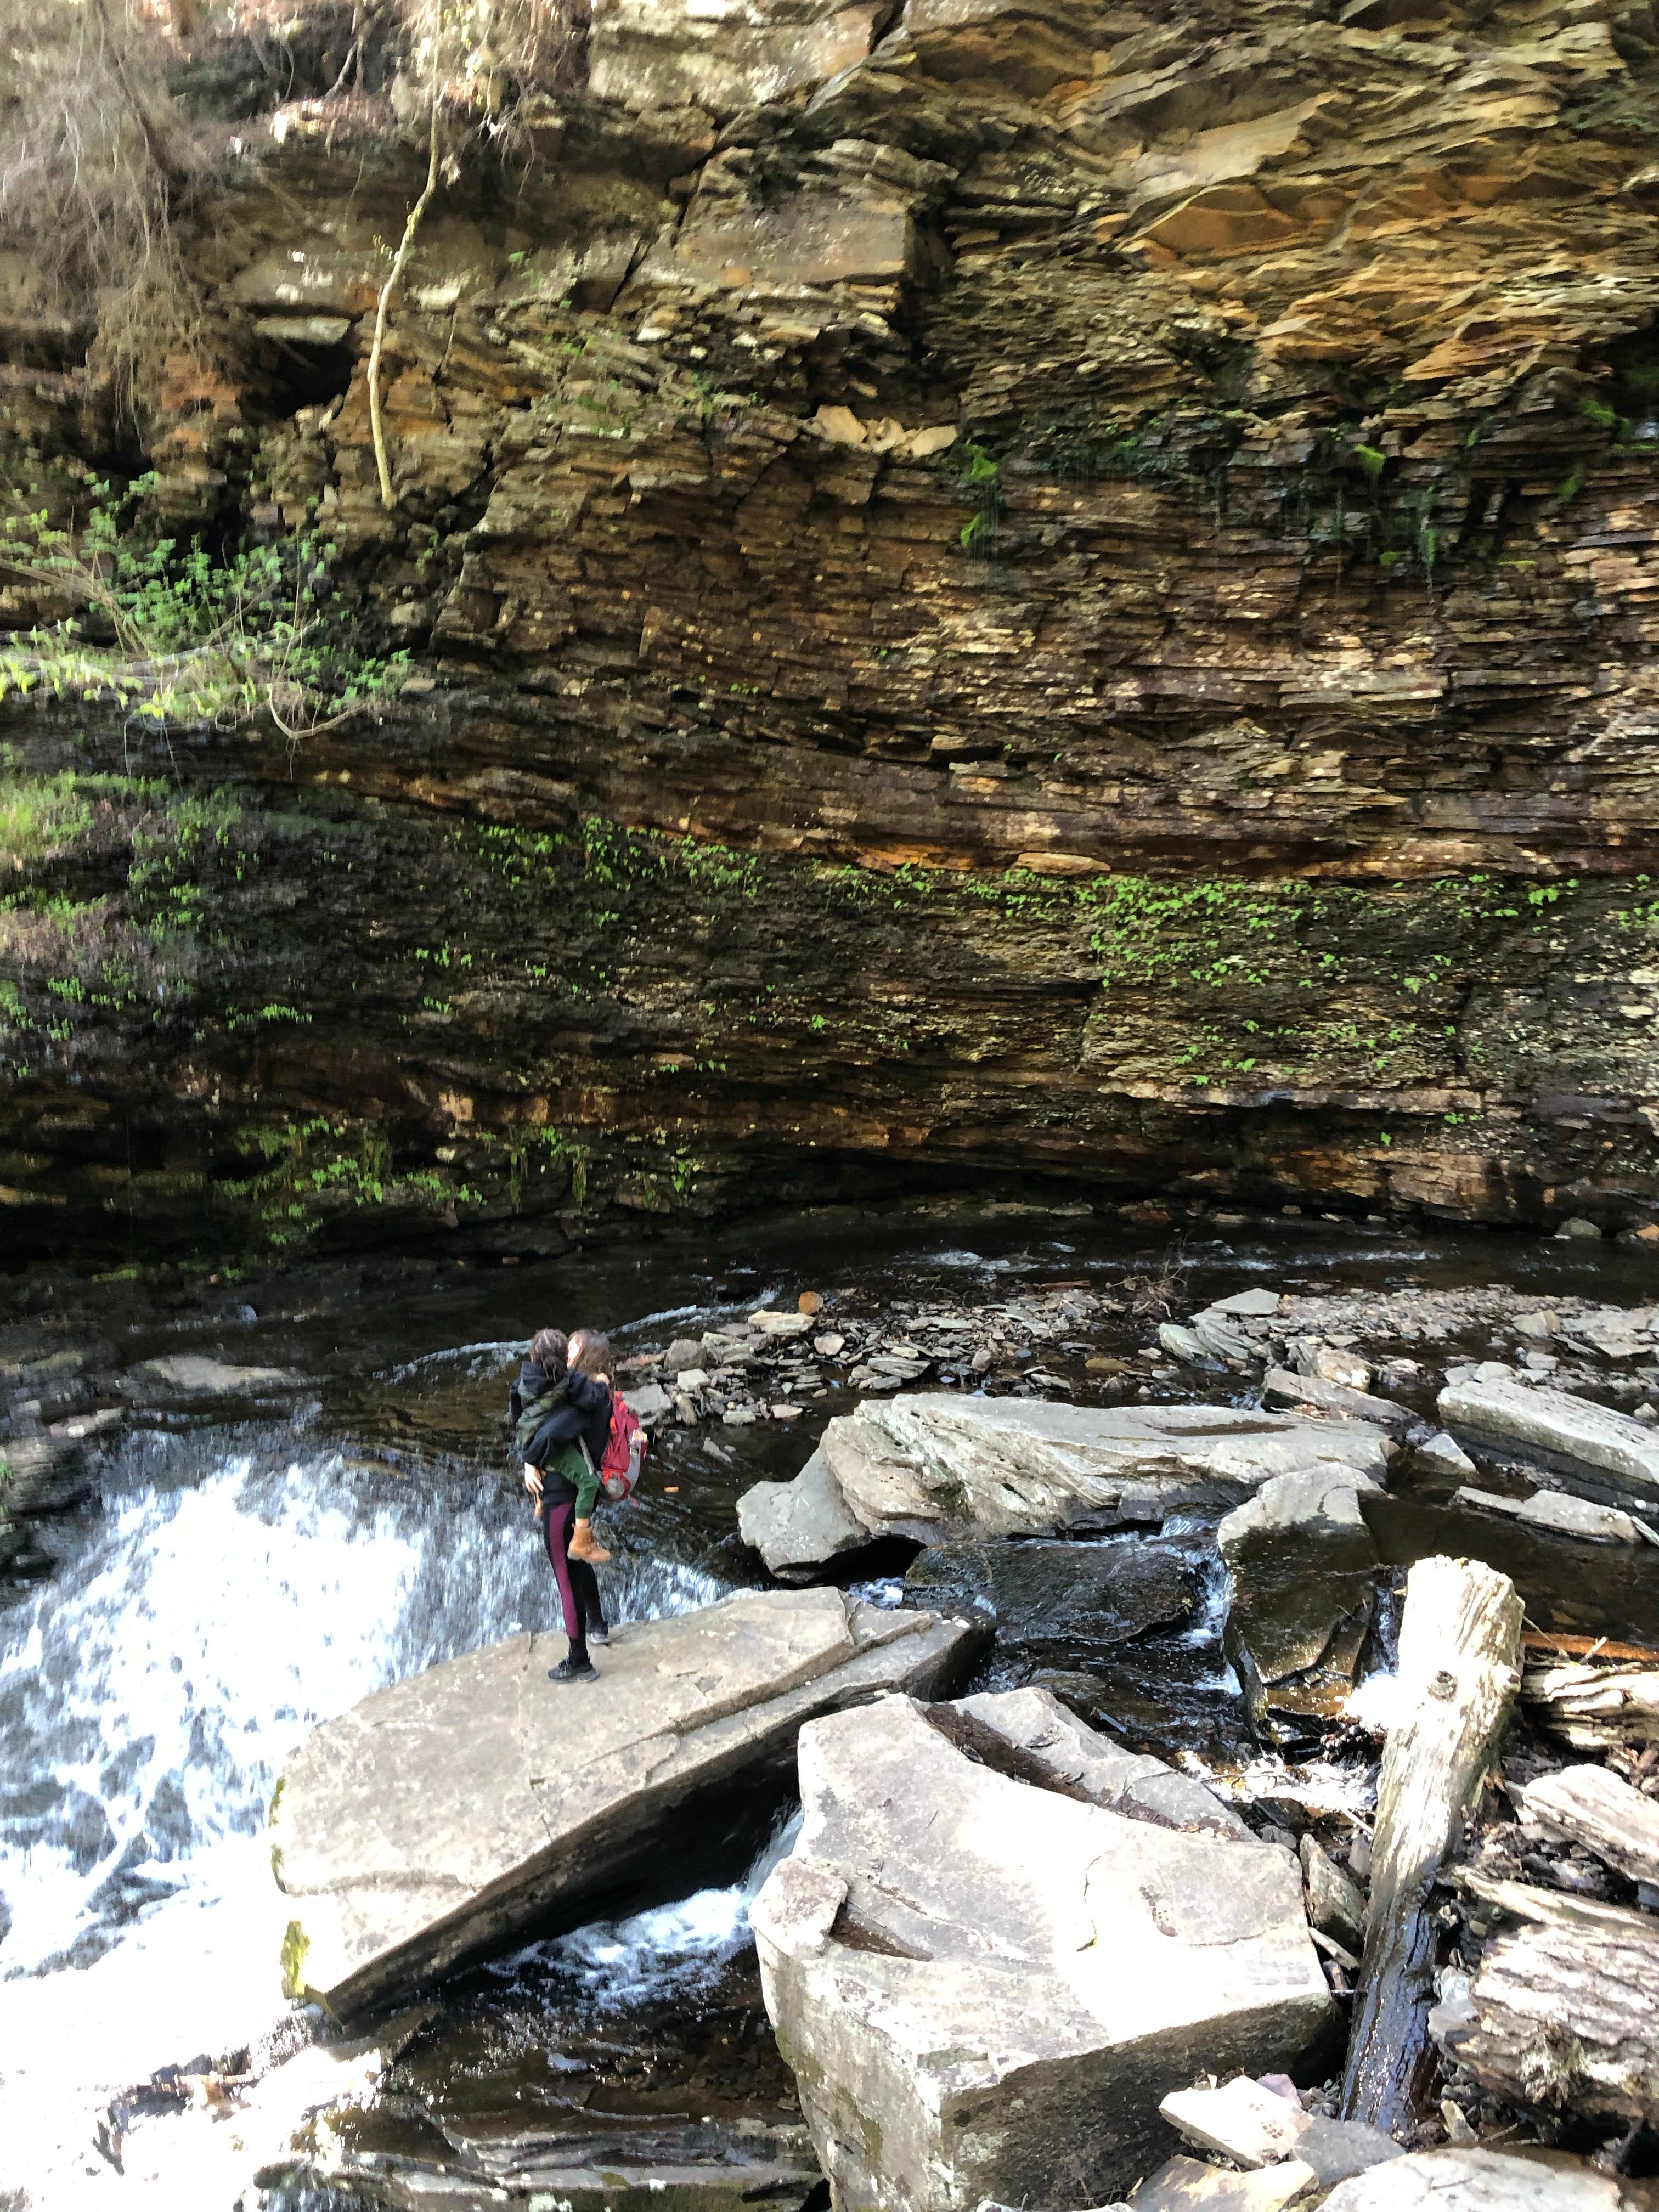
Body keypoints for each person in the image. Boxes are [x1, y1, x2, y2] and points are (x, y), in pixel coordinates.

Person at [514, 1326, 613, 1684]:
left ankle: (579, 1660)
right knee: (577, 1557)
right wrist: (531, 1460)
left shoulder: (575, 1396)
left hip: (560, 1496)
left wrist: (530, 1458)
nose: (568, 1354)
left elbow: (545, 1433)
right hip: (580, 1493)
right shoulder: (589, 1391)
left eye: (574, 1348)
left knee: (565, 1577)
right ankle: (597, 1624)